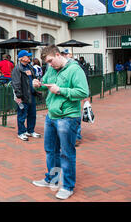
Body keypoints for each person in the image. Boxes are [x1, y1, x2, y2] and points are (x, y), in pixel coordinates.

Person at [31, 45, 89, 200]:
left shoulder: (75, 70)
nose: (50, 65)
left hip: (68, 117)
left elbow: (84, 92)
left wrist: (61, 90)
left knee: (66, 153)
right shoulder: (51, 69)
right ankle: (53, 180)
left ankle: (68, 186)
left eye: (51, 61)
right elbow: (47, 85)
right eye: (47, 63)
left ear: (58, 54)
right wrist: (38, 85)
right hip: (52, 115)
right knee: (51, 150)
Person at [11, 50, 41, 141]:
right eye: (27, 56)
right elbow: (16, 83)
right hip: (23, 96)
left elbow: (33, 79)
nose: (29, 57)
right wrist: (19, 95)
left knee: (32, 114)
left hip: (31, 94)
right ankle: (21, 132)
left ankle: (30, 130)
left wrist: (36, 90)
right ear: (21, 58)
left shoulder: (30, 67)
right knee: (22, 115)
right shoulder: (17, 69)